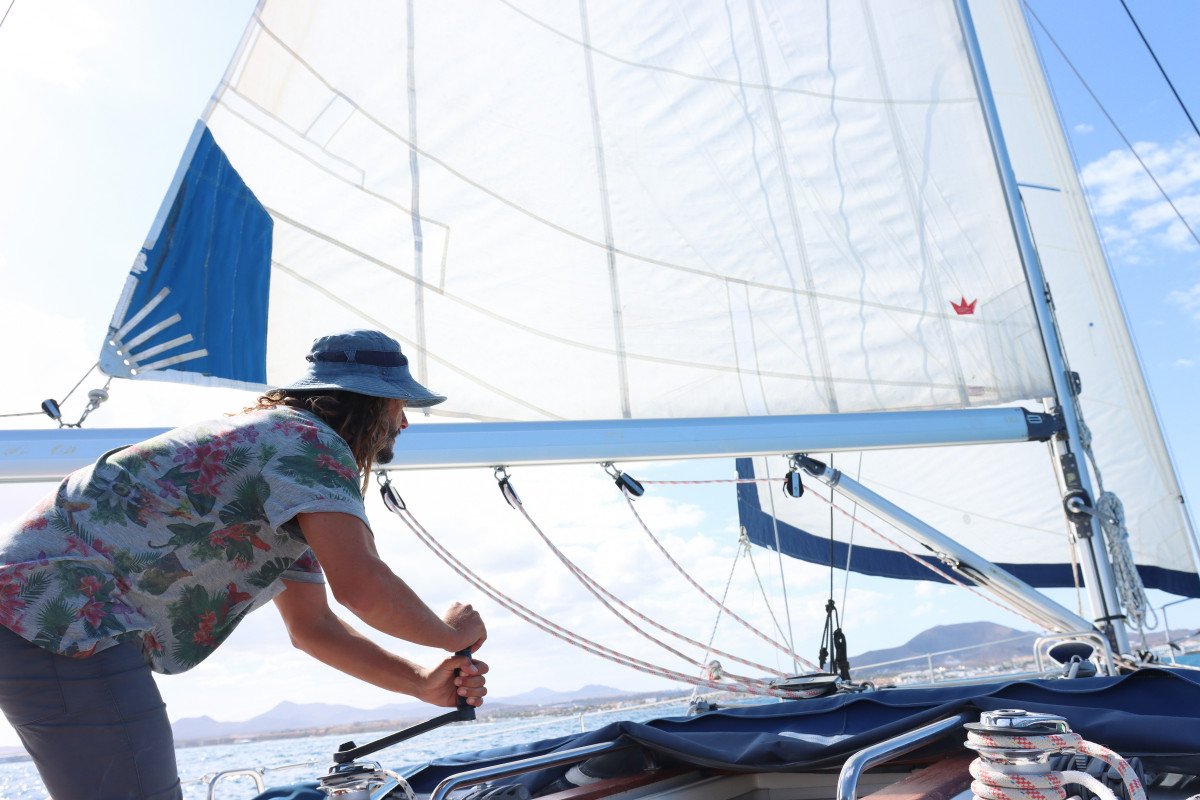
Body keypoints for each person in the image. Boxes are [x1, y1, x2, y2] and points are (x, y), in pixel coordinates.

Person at [0, 329, 487, 800]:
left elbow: (313, 625)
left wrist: (421, 683)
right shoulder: (309, 445)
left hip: (39, 612)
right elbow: (361, 585)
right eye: (399, 407)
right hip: (60, 613)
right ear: (372, 404)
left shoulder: (277, 455)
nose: (403, 424)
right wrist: (450, 634)